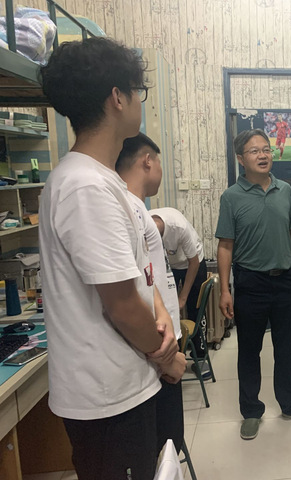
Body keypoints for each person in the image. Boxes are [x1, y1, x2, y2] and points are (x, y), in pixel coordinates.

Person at [39, 37, 185, 480]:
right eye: (137, 91)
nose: (140, 100)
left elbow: (139, 276)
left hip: (127, 382)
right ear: (117, 97)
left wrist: (164, 320)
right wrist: (167, 358)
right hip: (107, 397)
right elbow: (121, 304)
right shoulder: (85, 187)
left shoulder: (104, 182)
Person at [215, 128, 291, 440]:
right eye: (254, 151)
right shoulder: (231, 197)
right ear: (240, 159)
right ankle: (251, 410)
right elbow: (225, 245)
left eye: (266, 149)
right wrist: (225, 289)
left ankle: (290, 403)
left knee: (286, 347)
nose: (262, 155)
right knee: (249, 350)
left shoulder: (284, 190)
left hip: (285, 280)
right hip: (251, 283)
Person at [116, 132, 184, 455]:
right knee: (165, 445)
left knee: (169, 443)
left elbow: (149, 281)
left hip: (163, 342)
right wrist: (167, 359)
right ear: (148, 161)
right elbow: (135, 294)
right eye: (159, 163)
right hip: (157, 348)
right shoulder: (128, 208)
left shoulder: (138, 209)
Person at [149, 207, 208, 362]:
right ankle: (177, 353)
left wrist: (182, 298)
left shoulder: (178, 226)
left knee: (194, 308)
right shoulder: (144, 224)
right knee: (167, 309)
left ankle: (200, 355)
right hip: (169, 265)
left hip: (193, 261)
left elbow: (194, 262)